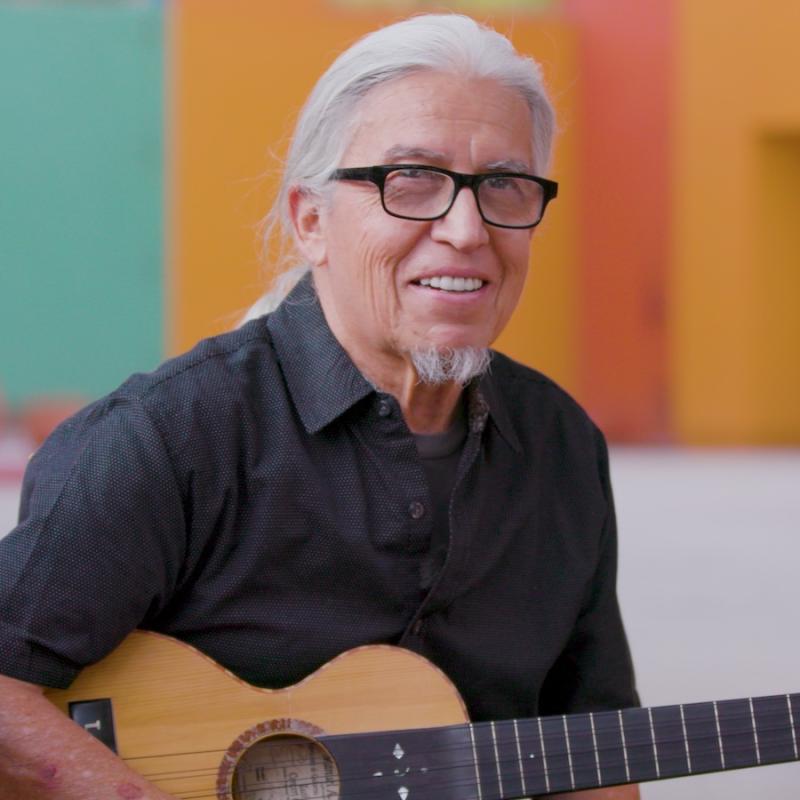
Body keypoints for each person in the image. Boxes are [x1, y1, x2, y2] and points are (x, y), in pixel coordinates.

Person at [0, 14, 639, 800]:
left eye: (504, 185)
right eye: (411, 181)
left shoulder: (562, 445)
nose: (467, 230)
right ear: (311, 220)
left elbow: (595, 749)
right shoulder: (170, 437)